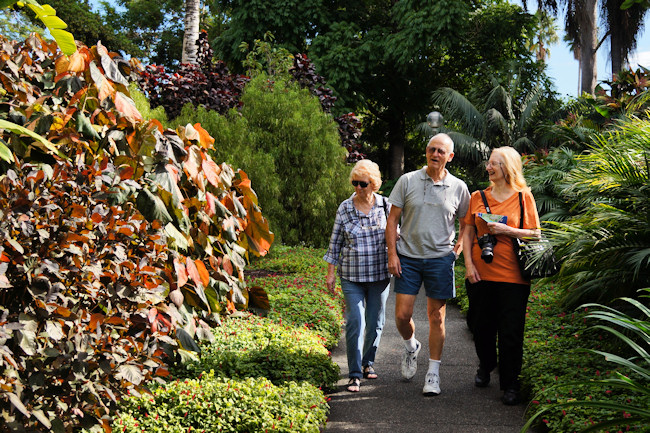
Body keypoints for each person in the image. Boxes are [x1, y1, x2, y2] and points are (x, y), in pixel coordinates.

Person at [386, 133, 470, 396]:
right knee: (402, 316)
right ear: (426, 151)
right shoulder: (407, 180)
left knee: (437, 317)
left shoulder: (458, 187)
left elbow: (466, 223)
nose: (435, 154)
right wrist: (392, 254)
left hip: (439, 259)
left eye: (441, 151)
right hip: (408, 257)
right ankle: (411, 346)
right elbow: (392, 220)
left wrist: (457, 250)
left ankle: (433, 373)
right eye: (432, 149)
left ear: (450, 156)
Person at [462, 146, 541, 406]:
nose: (489, 167)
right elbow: (468, 233)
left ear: (507, 167)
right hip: (481, 274)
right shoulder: (477, 196)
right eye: (489, 163)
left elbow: (536, 234)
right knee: (480, 328)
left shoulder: (523, 197)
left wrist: (507, 230)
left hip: (514, 277)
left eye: (494, 163)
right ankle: (486, 365)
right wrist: (469, 265)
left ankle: (510, 384)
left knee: (510, 333)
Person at [324, 159, 391, 393]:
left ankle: (368, 363)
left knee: (376, 323)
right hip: (351, 276)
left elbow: (396, 236)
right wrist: (330, 273)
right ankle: (354, 374)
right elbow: (335, 243)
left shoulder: (385, 206)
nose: (358, 188)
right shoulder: (344, 207)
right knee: (355, 321)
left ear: (373, 184)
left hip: (380, 276)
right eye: (355, 183)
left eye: (362, 184)